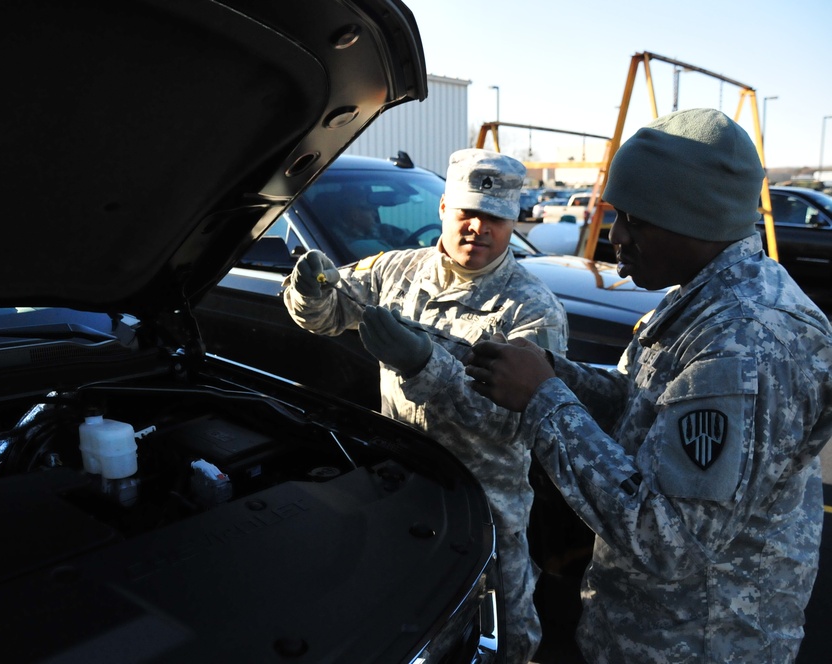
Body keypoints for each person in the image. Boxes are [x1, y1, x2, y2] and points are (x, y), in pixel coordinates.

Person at [464, 108, 832, 663]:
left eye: (636, 219)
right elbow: (646, 410)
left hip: (697, 642)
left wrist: (544, 400)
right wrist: (560, 375)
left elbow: (668, 537)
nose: (617, 237)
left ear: (695, 221)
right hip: (647, 629)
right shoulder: (706, 297)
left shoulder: (747, 341)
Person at [283, 148, 569, 664]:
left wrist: (424, 366)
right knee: (402, 617)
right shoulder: (396, 270)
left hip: (484, 505)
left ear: (513, 221)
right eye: (468, 212)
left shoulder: (532, 308)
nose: (478, 228)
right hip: (403, 483)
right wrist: (308, 291)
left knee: (506, 632)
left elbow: (519, 425)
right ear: (442, 209)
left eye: (495, 218)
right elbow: (325, 315)